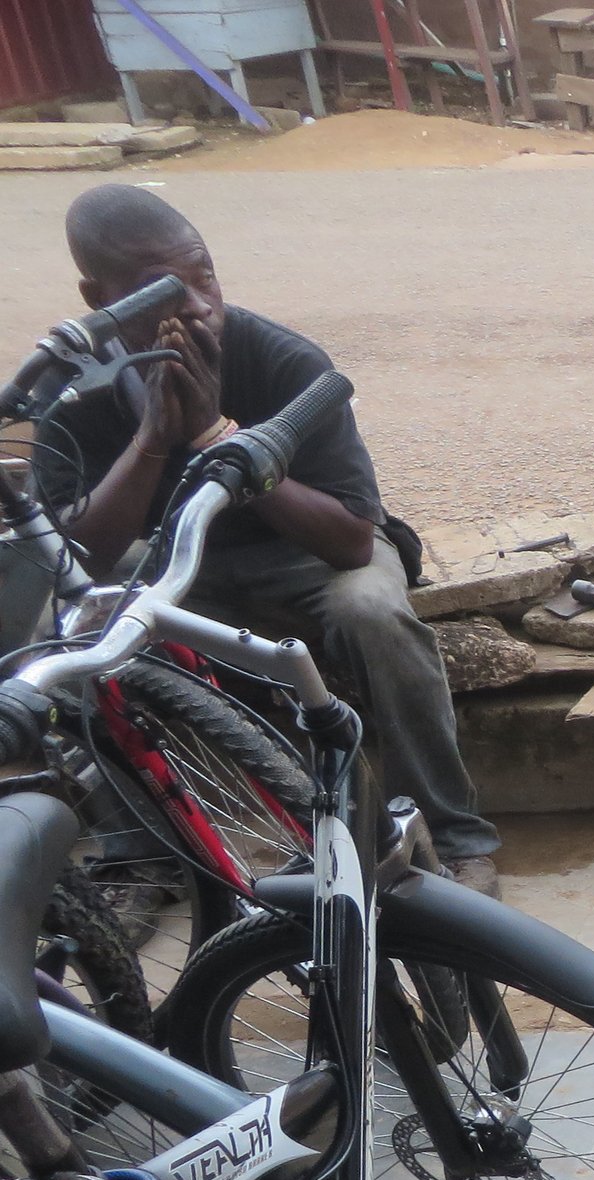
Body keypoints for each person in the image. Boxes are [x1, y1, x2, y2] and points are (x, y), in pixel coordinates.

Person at [43, 184, 500, 891]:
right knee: (73, 630)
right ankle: (148, 852)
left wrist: (216, 436)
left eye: (204, 277)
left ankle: (454, 835)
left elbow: (352, 542)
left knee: (373, 612)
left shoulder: (283, 360)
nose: (199, 306)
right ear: (98, 297)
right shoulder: (77, 391)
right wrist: (154, 438)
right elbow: (81, 558)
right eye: (161, 290)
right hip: (181, 567)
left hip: (309, 557)